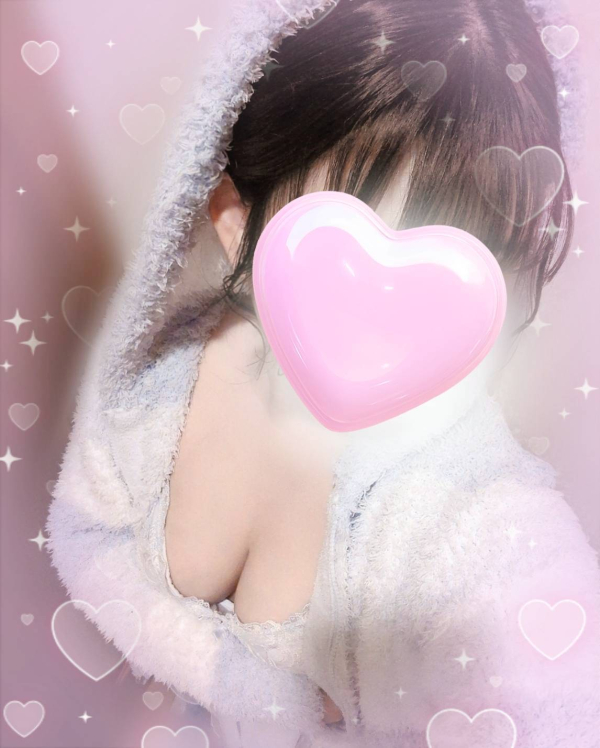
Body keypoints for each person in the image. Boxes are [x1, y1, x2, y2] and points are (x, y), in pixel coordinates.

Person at [46, 1, 600, 747]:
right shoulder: (157, 385)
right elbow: (88, 536)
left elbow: (554, 679)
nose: (388, 312)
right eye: (342, 254)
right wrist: (239, 686)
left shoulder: (466, 511)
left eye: (447, 279)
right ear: (233, 217)